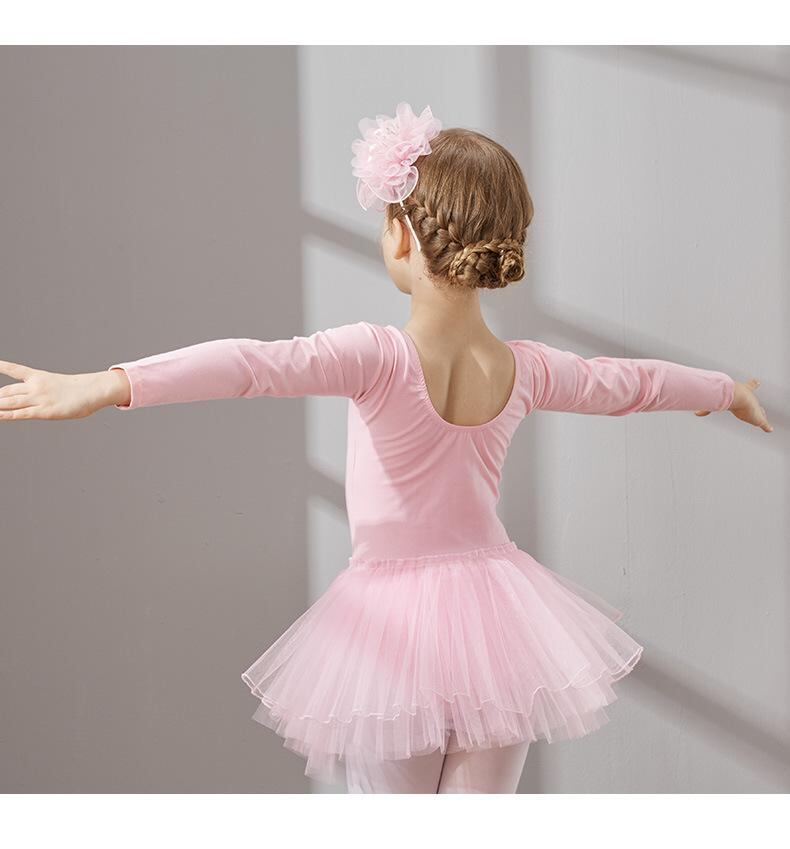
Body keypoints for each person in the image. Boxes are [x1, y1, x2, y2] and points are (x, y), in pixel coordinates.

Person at [0, 103, 772, 794]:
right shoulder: (524, 368)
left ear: (402, 234)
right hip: (499, 620)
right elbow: (627, 383)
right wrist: (724, 389)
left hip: (390, 630)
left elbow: (251, 365)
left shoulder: (376, 356)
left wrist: (109, 383)